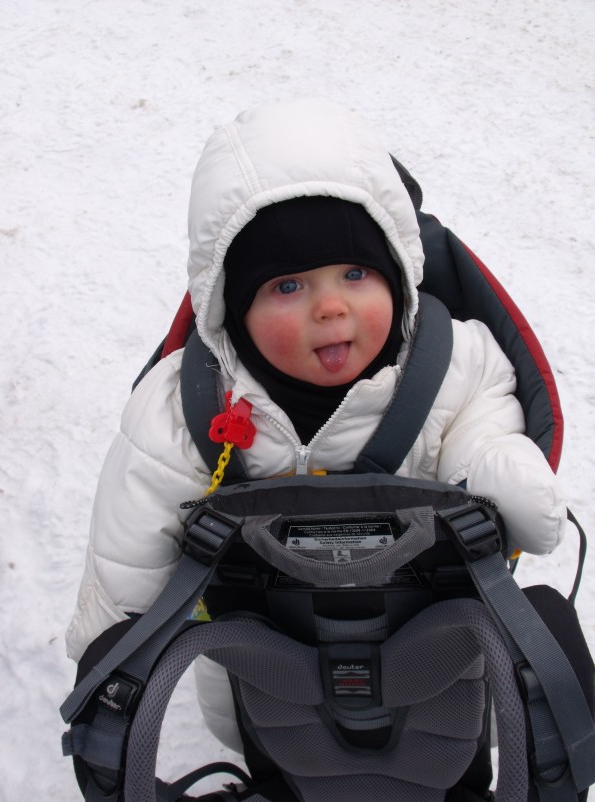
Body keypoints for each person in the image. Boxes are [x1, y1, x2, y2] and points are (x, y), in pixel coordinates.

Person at [66, 97, 567, 753]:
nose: (331, 308)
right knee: (288, 758)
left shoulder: (454, 364)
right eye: (288, 287)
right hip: (263, 679)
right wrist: (108, 667)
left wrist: (498, 470)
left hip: (434, 663)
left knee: (435, 752)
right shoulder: (187, 410)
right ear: (233, 304)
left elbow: (481, 425)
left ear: (399, 276)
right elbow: (124, 558)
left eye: (356, 274)